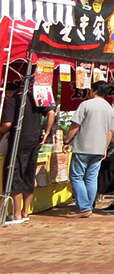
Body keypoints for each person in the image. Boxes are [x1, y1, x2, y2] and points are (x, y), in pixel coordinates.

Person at [0, 80, 55, 224]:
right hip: (34, 141)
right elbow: (51, 112)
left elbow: (7, 124)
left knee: (15, 174)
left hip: (19, 142)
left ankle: (16, 214)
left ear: (9, 91)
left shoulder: (13, 101)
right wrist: (47, 132)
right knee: (29, 174)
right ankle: (25, 211)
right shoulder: (35, 98)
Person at [62, 80, 114, 219]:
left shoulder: (86, 105)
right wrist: (105, 147)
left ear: (95, 90)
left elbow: (75, 125)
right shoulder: (110, 108)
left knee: (77, 176)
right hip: (99, 148)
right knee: (91, 178)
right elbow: (110, 132)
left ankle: (84, 207)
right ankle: (89, 205)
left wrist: (67, 141)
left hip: (83, 147)